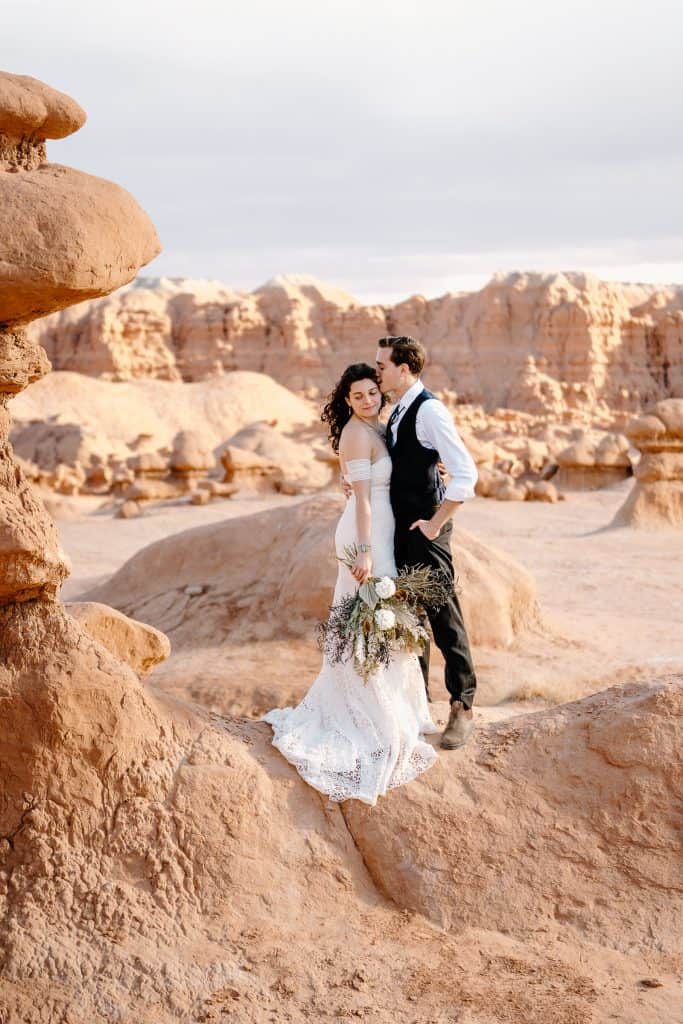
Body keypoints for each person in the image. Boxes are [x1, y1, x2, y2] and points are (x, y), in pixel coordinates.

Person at [261, 363, 440, 805]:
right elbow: (361, 500)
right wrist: (363, 550)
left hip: (381, 528)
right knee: (369, 619)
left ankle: (392, 705)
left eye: (372, 393)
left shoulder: (378, 427)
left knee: (381, 619)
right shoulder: (358, 434)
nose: (367, 400)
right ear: (347, 401)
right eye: (358, 396)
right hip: (366, 532)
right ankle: (367, 713)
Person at [374, 336, 479, 749]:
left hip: (426, 530)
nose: (377, 370)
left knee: (443, 619)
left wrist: (436, 524)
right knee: (409, 621)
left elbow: (466, 474)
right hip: (402, 530)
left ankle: (463, 707)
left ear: (404, 369)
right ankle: (416, 708)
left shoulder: (429, 410)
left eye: (383, 365)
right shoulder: (398, 409)